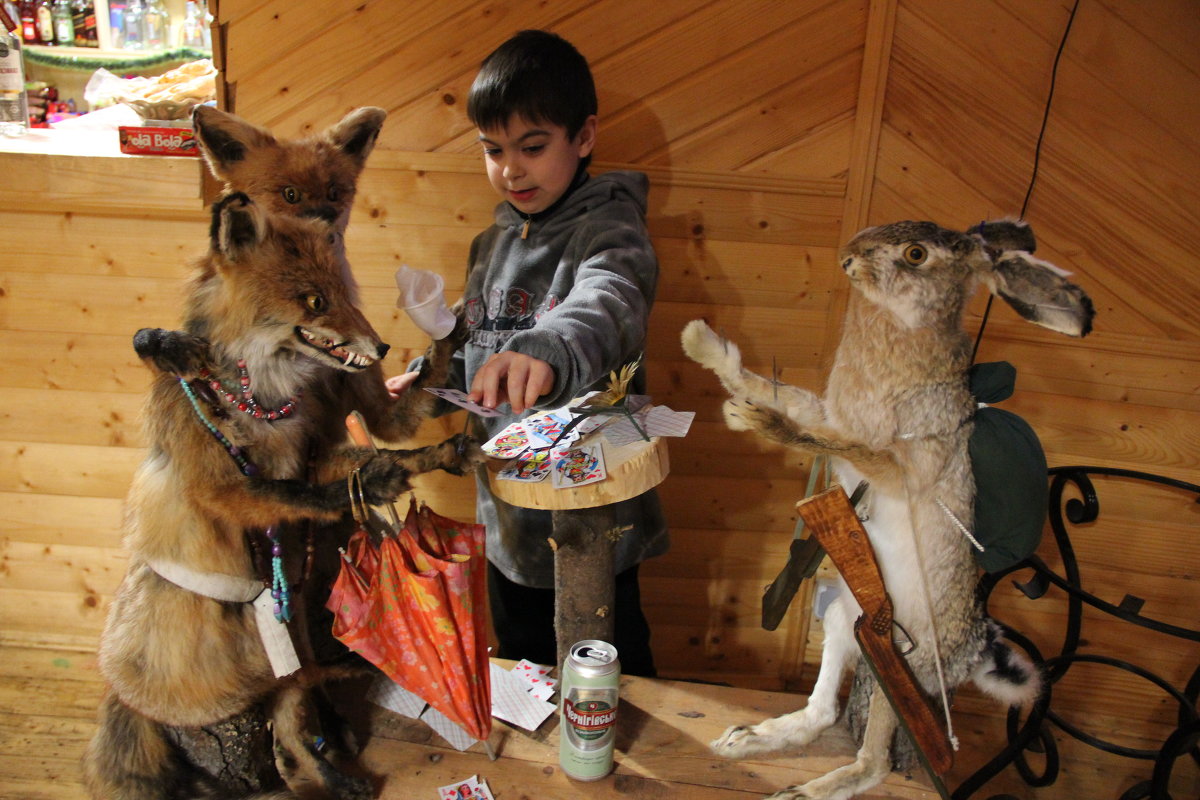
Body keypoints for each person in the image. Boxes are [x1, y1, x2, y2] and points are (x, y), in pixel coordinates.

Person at [387, 29, 666, 677]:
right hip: (507, 515)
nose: (511, 168)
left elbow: (610, 298)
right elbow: (473, 352)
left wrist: (547, 344)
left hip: (592, 519)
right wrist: (425, 383)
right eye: (493, 150)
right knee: (521, 665)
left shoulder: (611, 228)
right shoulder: (491, 244)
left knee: (611, 671)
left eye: (533, 147)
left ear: (584, 137)